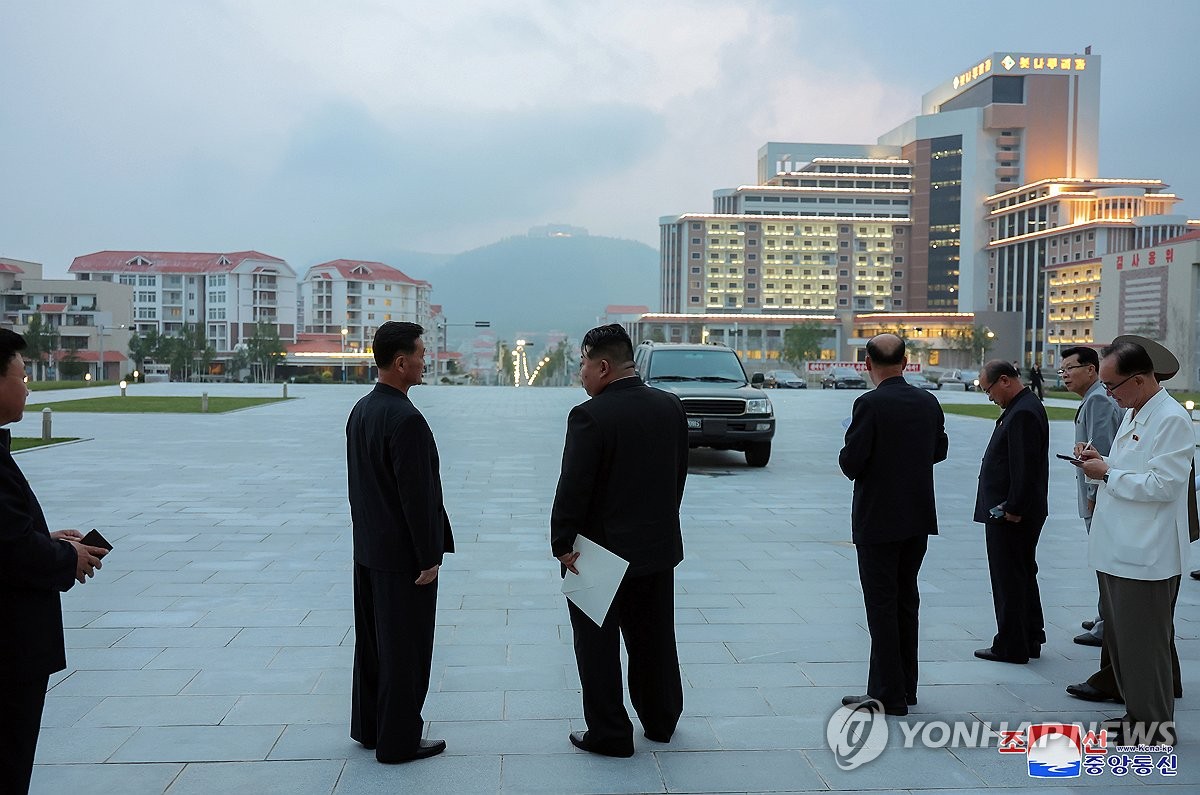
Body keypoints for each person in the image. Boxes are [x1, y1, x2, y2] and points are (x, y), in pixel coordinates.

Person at [551, 324, 688, 757]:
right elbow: (677, 478)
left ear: (604, 366)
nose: (581, 374)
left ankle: (610, 733)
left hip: (597, 551)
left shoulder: (589, 416)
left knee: (597, 644)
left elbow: (574, 487)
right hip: (656, 547)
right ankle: (661, 720)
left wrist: (561, 543)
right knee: (655, 640)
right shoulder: (670, 407)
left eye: (583, 365)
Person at [0, 328, 108, 794]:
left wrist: (45, 538)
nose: (27, 387)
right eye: (22, 376)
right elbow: (10, 550)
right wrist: (66, 556)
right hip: (7, 653)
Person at [1079, 336, 1195, 745]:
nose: (1109, 394)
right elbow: (1129, 466)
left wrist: (1107, 474)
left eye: (1113, 385)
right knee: (1125, 642)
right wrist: (1101, 461)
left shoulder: (1171, 419)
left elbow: (1164, 484)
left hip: (1147, 552)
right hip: (1121, 546)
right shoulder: (1135, 411)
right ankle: (1137, 714)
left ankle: (1156, 726)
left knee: (1146, 645)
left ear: (1142, 379)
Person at [347, 322, 453, 764]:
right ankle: (398, 740)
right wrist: (428, 556)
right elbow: (418, 496)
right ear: (400, 361)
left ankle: (370, 728)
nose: (425, 361)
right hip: (403, 558)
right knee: (405, 651)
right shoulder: (406, 419)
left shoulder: (362, 410)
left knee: (373, 646)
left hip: (369, 551)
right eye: (421, 354)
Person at [838, 334, 947, 716]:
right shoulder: (928, 401)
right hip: (917, 516)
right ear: (906, 361)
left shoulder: (869, 404)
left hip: (878, 519)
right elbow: (939, 450)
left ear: (867, 363)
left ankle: (888, 693)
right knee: (905, 600)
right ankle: (905, 686)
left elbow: (852, 463)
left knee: (881, 605)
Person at [973, 360, 1049, 664]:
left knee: (1008, 577)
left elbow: (1024, 467)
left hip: (1010, 512)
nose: (989, 397)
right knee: (1022, 573)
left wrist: (1014, 507)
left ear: (1004, 380)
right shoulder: (1024, 407)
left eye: (988, 390)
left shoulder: (1023, 412)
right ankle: (1030, 636)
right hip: (1013, 508)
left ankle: (1011, 643)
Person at [1058, 346, 1123, 649]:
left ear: (1091, 370)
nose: (1065, 375)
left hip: (1100, 494)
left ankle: (1106, 623)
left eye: (1070, 368)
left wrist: (1094, 496)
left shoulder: (1098, 399)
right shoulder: (1094, 397)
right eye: (1063, 370)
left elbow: (1101, 451)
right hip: (1100, 492)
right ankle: (1103, 617)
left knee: (1105, 559)